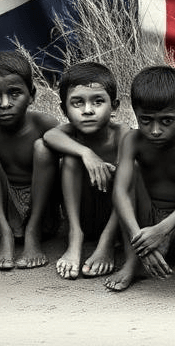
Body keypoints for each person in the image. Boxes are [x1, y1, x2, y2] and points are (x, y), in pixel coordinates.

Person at [107, 65, 175, 293]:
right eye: (145, 120)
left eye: (166, 121)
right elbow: (120, 192)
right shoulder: (132, 140)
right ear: (135, 113)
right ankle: (132, 261)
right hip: (145, 225)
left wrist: (163, 229)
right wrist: (140, 240)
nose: (155, 130)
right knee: (129, 174)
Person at [0, 51, 60, 270]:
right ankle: (5, 236)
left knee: (43, 147)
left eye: (15, 93)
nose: (4, 103)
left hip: (44, 218)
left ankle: (32, 235)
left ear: (32, 95)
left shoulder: (44, 124)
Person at [41, 61, 128, 279]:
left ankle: (106, 243)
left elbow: (129, 184)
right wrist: (86, 153)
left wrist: (115, 171)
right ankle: (75, 237)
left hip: (116, 220)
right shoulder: (69, 133)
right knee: (70, 159)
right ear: (64, 110)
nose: (88, 110)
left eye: (98, 101)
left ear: (114, 106)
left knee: (131, 169)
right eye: (77, 103)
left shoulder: (122, 134)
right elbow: (49, 135)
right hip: (82, 217)